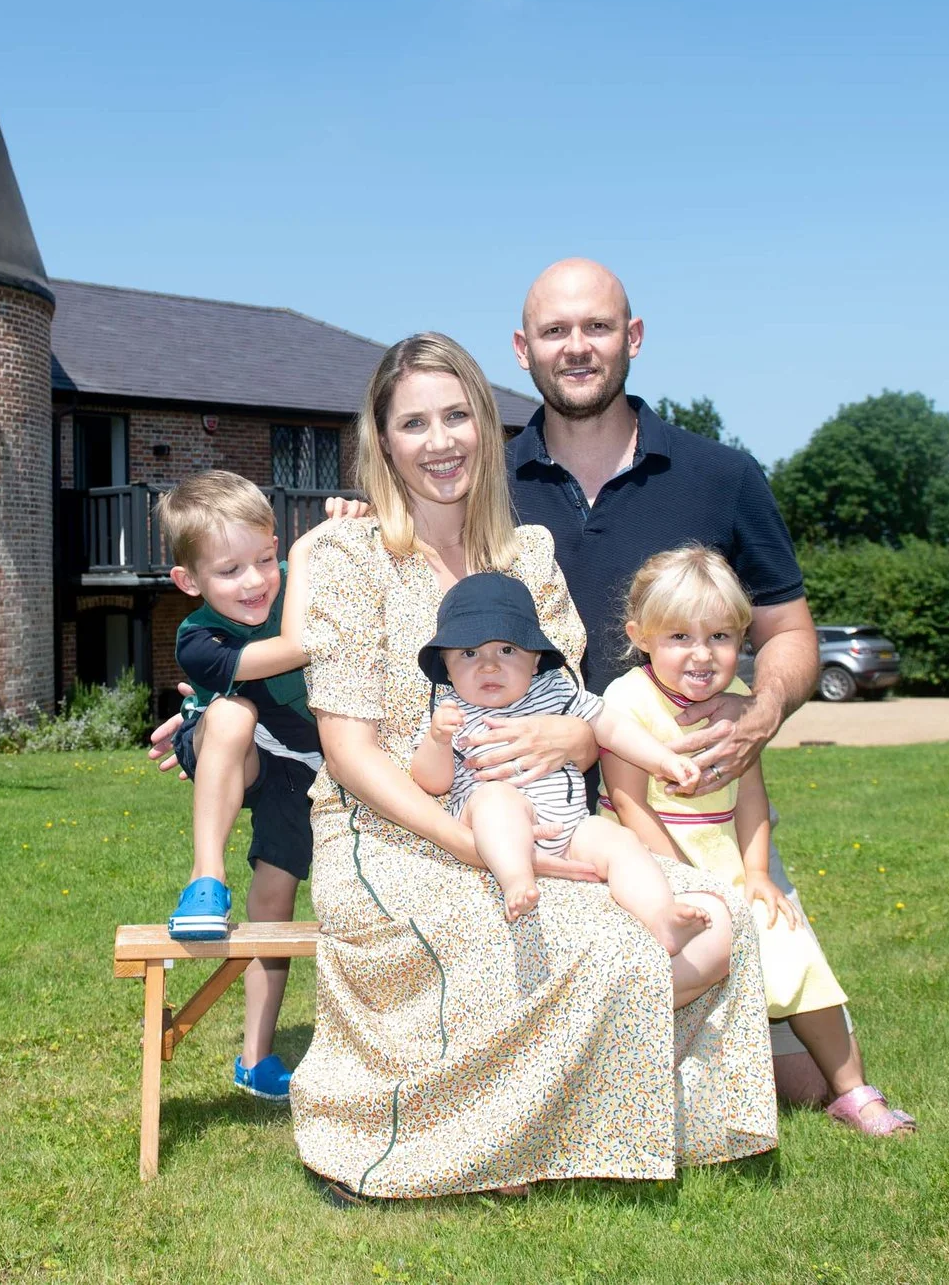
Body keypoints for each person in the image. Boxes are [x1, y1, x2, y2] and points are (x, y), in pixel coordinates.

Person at [289, 332, 775, 1199]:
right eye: (413, 423)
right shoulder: (347, 556)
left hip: (543, 820)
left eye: (455, 415)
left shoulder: (530, 557)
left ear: (484, 422)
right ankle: (499, 1133)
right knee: (559, 939)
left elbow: (581, 718)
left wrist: (570, 746)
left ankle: (546, 1114)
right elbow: (350, 750)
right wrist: (467, 842)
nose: (439, 441)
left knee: (717, 914)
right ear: (384, 440)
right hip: (391, 832)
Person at [506, 256, 835, 1101]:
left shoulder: (721, 474)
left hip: (686, 808)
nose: (576, 347)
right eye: (555, 330)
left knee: (800, 1062)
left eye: (597, 327)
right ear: (522, 350)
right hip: (531, 805)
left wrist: (762, 709)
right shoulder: (483, 484)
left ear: (634, 338)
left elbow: (789, 629)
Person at [603, 546, 916, 1138]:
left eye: (720, 636)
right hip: (651, 857)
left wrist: (758, 874)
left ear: (742, 637)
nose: (702, 654)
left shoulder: (740, 697)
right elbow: (628, 802)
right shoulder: (627, 701)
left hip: (726, 851)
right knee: (681, 963)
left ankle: (854, 1092)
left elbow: (750, 797)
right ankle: (646, 1091)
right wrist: (683, 881)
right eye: (679, 637)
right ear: (640, 636)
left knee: (794, 947)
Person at [410, 574, 726, 986]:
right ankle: (516, 879)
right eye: (469, 653)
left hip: (570, 828)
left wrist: (663, 758)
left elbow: (610, 727)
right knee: (497, 799)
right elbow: (431, 781)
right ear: (447, 667)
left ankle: (660, 917)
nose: (489, 664)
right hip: (494, 831)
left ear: (536, 659)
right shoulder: (452, 710)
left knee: (618, 841)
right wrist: (437, 740)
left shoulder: (555, 692)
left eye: (507, 649)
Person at [157, 471, 320, 1103]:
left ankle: (255, 1057)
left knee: (276, 898)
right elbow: (294, 648)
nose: (254, 581)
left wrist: (346, 518)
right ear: (189, 582)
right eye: (229, 571)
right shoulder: (199, 639)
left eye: (265, 560)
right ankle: (206, 880)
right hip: (234, 752)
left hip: (300, 766)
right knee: (230, 713)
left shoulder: (293, 587)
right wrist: (305, 552)